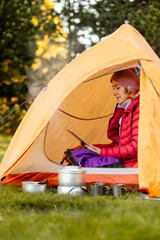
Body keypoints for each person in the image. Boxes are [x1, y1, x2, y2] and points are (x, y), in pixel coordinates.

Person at [65, 68, 140, 168]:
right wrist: (95, 148)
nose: (114, 93)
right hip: (123, 158)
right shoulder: (124, 108)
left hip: (131, 162)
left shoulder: (140, 108)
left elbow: (136, 148)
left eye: (117, 88)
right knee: (80, 152)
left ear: (129, 88)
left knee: (86, 162)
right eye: (113, 88)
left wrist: (102, 152)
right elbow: (118, 146)